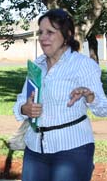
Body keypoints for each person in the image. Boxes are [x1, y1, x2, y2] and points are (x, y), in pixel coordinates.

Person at [13, 9, 107, 181]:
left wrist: (90, 96)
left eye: (50, 32)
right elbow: (21, 101)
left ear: (67, 35)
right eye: (41, 32)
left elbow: (104, 109)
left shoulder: (83, 65)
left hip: (72, 150)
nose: (43, 38)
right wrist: (24, 108)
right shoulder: (37, 65)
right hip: (35, 149)